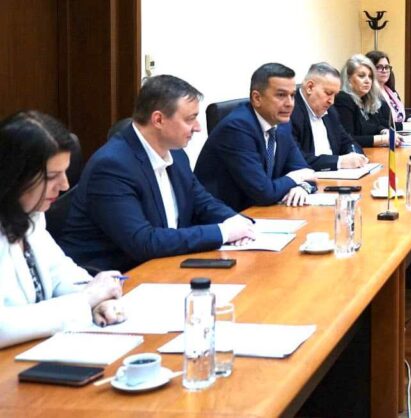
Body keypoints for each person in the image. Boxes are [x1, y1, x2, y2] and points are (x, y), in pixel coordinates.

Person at [60, 75, 255, 272]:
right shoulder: (112, 167)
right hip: (118, 275)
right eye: (190, 119)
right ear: (158, 120)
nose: (198, 127)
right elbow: (143, 242)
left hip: (165, 265)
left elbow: (203, 202)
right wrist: (223, 232)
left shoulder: (176, 154)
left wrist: (237, 222)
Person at [0, 111, 126, 348]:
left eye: (65, 172)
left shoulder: (32, 214)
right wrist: (85, 300)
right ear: (15, 175)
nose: (65, 185)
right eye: (52, 176)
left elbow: (60, 273)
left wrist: (99, 300)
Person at [195, 63, 317, 211]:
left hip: (263, 211)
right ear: (257, 98)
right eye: (281, 95)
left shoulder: (282, 124)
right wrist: (296, 178)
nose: (290, 104)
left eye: (292, 95)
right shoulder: (237, 128)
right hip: (227, 215)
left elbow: (305, 171)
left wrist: (302, 187)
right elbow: (263, 193)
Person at [291, 62, 369, 171]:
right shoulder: (290, 112)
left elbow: (347, 141)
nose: (331, 101)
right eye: (328, 93)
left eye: (335, 95)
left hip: (337, 175)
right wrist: (339, 161)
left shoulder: (330, 111)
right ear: (310, 87)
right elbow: (296, 159)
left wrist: (355, 155)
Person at [333, 54, 405, 148]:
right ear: (348, 78)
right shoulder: (343, 99)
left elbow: (376, 125)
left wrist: (385, 131)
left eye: (370, 76)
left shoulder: (366, 99)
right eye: (361, 76)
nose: (367, 81)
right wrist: (382, 139)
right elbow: (347, 139)